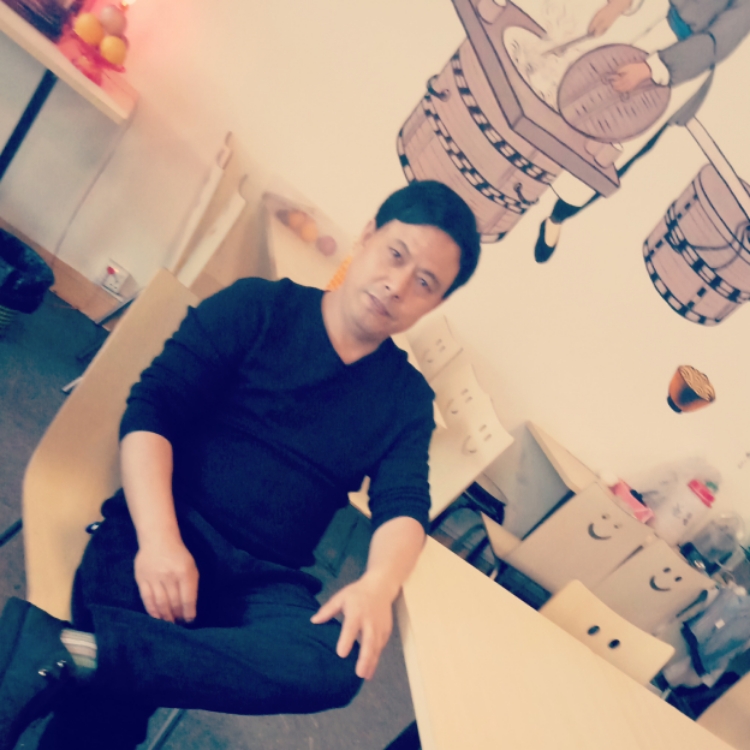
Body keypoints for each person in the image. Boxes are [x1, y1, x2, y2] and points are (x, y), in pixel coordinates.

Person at [0, 179, 481, 750]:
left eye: (424, 283)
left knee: (339, 659)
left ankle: (71, 653)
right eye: (395, 254)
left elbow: (404, 506)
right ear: (368, 235)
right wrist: (160, 540)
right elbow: (152, 412)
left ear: (436, 303)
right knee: (112, 714)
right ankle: (91, 667)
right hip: (163, 523)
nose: (397, 286)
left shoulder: (405, 399)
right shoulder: (259, 307)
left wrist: (377, 586)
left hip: (264, 581)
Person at [534, 0, 750, 262]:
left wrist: (651, 69)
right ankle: (526, 178)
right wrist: (619, 4)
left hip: (677, 67)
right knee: (576, 99)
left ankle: (557, 217)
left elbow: (715, 44)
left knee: (609, 151)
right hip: (649, 24)